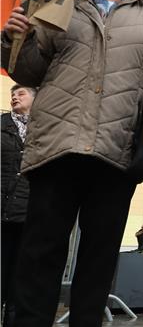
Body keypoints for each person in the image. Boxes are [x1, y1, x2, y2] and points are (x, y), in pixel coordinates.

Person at [1, 0, 143, 326]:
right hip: (58, 146)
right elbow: (28, 70)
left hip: (116, 153)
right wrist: (14, 40)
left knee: (99, 258)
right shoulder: (61, 4)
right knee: (41, 254)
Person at [1, 85, 36, 326]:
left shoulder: (43, 128)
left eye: (21, 93)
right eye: (13, 94)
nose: (15, 96)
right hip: (2, 211)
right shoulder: (1, 125)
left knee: (20, 281)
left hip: (28, 215)